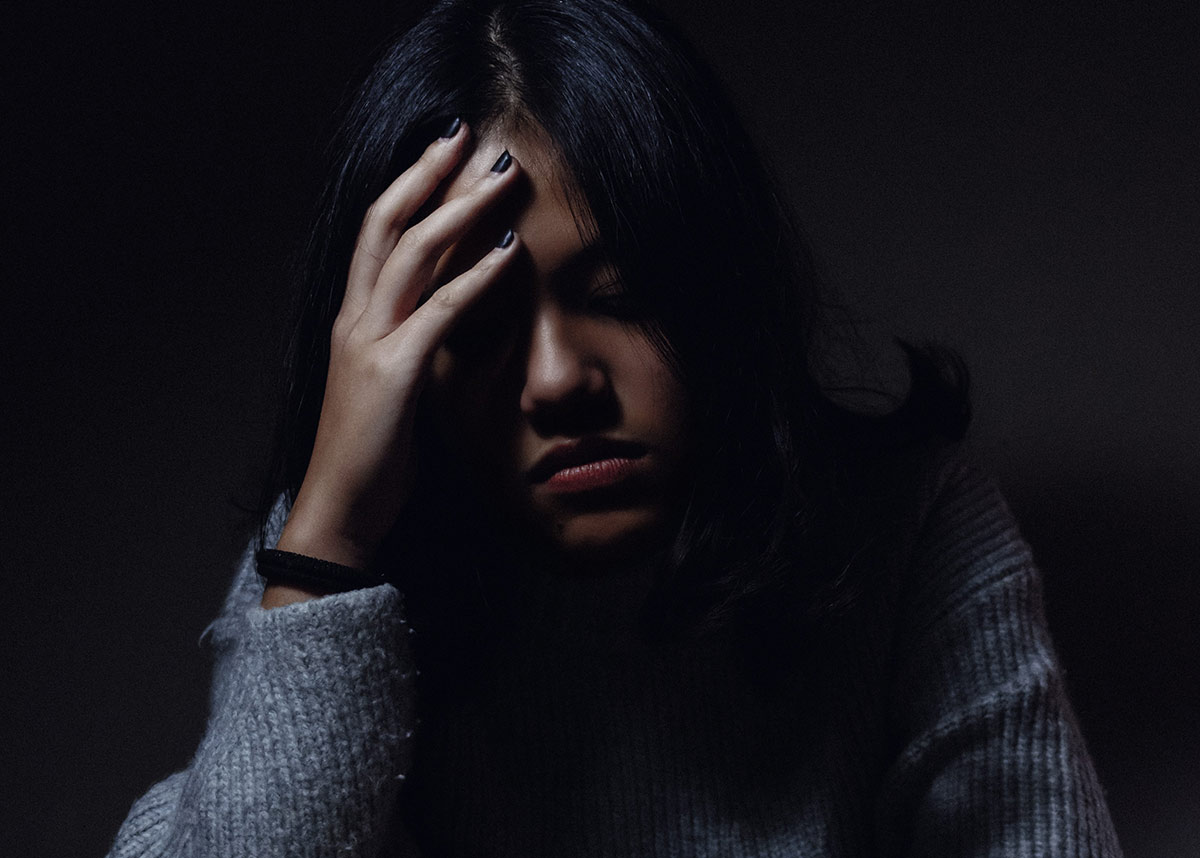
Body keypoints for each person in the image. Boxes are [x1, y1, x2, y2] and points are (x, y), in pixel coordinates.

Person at [107, 0, 1123, 855]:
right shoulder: (340, 565)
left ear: (722, 287)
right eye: (477, 325)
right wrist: (325, 544)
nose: (560, 381)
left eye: (625, 294)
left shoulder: (908, 525)